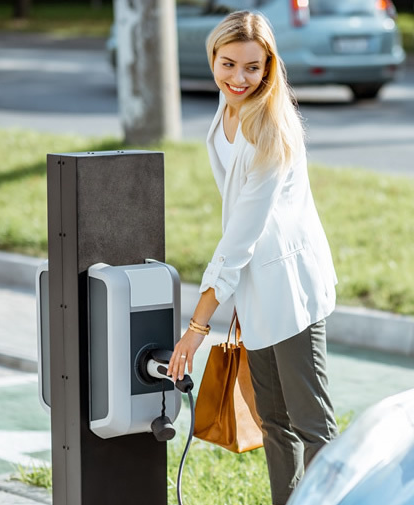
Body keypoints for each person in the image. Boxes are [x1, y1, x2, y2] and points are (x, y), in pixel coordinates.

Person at [166, 10, 340, 505]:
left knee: (313, 426)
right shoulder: (226, 111)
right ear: (212, 58)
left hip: (289, 289)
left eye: (253, 68)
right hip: (253, 288)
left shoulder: (271, 131)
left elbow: (240, 237)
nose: (239, 79)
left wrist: (196, 329)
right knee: (274, 421)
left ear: (270, 66)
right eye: (228, 64)